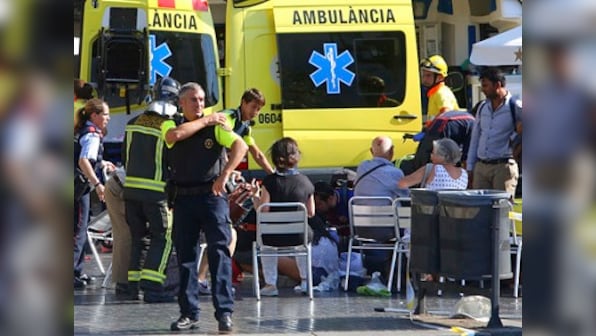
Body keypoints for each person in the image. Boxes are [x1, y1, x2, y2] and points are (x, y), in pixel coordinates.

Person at [166, 82, 248, 332]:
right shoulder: (171, 123)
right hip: (183, 197)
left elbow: (240, 146)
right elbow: (174, 136)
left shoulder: (217, 129)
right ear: (181, 103)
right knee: (186, 257)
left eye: (202, 99)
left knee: (219, 253)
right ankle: (188, 313)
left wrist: (225, 175)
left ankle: (224, 312)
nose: (199, 104)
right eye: (193, 100)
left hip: (211, 197)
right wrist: (207, 120)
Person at [120, 76, 181, 302]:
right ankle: (154, 287)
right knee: (162, 237)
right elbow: (173, 164)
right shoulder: (169, 128)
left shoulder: (133, 122)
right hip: (156, 194)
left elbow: (125, 159)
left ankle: (133, 286)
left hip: (131, 191)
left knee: (139, 239)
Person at [254, 137, 316, 296]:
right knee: (302, 246)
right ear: (296, 157)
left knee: (266, 248)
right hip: (298, 236)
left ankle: (270, 284)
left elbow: (264, 211)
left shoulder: (269, 182)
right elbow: (311, 213)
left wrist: (255, 198)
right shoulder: (305, 182)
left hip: (272, 237)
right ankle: (305, 281)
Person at [74, 98, 115, 289]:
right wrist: (98, 184)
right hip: (78, 188)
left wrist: (102, 163)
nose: (108, 118)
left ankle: (77, 271)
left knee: (78, 228)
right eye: (105, 114)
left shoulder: (84, 130)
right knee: (78, 230)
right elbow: (83, 161)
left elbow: (88, 157)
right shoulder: (92, 135)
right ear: (94, 115)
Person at [466, 67, 521, 198]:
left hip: (503, 166)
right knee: (479, 210)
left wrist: (514, 139)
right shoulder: (482, 107)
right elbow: (476, 137)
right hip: (481, 167)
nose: (483, 90)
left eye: (485, 86)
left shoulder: (516, 106)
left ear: (497, 85)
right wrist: (470, 167)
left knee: (502, 210)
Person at [222, 88, 275, 174]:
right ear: (244, 103)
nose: (255, 112)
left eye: (258, 109)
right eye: (253, 107)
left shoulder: (246, 127)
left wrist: (272, 175)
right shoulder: (229, 117)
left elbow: (257, 155)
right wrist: (228, 171)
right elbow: (219, 147)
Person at [398, 138, 468, 190]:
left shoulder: (432, 169)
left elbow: (402, 183)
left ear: (443, 156)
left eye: (433, 153)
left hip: (432, 209)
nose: (431, 155)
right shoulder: (464, 174)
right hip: (452, 209)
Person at [102, 166, 130, 296]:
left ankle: (125, 281)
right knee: (125, 236)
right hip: (118, 188)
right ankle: (123, 282)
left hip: (119, 184)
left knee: (125, 235)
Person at [420, 55, 460, 124]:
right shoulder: (434, 93)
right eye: (423, 75)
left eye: (428, 75)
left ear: (440, 77)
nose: (424, 79)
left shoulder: (442, 92)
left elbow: (446, 113)